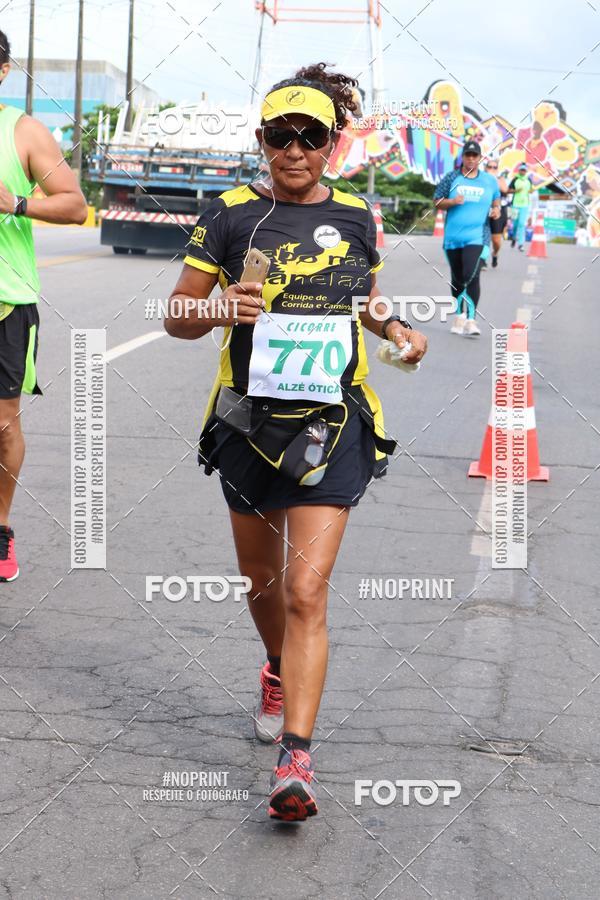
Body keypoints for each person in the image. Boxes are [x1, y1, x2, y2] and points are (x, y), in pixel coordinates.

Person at [165, 62, 427, 822]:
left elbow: (362, 299)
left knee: (307, 589)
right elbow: (177, 314)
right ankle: (276, 668)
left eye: (310, 137)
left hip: (333, 419)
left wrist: (396, 328)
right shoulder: (227, 217)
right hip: (248, 421)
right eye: (281, 136)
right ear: (261, 141)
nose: (294, 150)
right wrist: (223, 311)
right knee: (265, 584)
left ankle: (297, 762)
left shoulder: (355, 217)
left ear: (332, 144)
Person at [0, 31, 88, 582]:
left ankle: (0, 528)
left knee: (3, 423)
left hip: (6, 300)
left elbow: (76, 206)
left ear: (2, 70)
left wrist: (16, 202)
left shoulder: (23, 130)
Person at [434, 140, 501, 337]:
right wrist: (452, 202)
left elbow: (496, 197)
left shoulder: (489, 180)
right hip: (453, 238)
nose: (471, 159)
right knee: (457, 278)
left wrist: (496, 208)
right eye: (468, 155)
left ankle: (471, 320)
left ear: (480, 159)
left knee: (472, 274)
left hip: (477, 236)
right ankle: (458, 314)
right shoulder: (452, 177)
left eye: (475, 156)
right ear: (462, 157)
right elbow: (437, 201)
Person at [484, 160, 509, 267]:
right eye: (490, 167)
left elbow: (505, 189)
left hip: (499, 210)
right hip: (484, 209)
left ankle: (495, 253)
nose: (492, 169)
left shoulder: (500, 179)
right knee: (482, 236)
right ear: (485, 168)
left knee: (496, 240)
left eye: (495, 167)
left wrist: (493, 179)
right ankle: (482, 259)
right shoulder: (481, 178)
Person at [508, 162, 533, 251]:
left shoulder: (529, 180)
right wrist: (515, 190)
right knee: (515, 225)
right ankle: (514, 238)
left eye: (524, 170)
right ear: (519, 170)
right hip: (515, 205)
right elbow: (508, 190)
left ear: (526, 171)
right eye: (522, 170)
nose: (523, 172)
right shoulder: (515, 179)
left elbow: (530, 190)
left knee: (522, 224)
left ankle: (521, 244)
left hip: (525, 205)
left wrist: (531, 191)